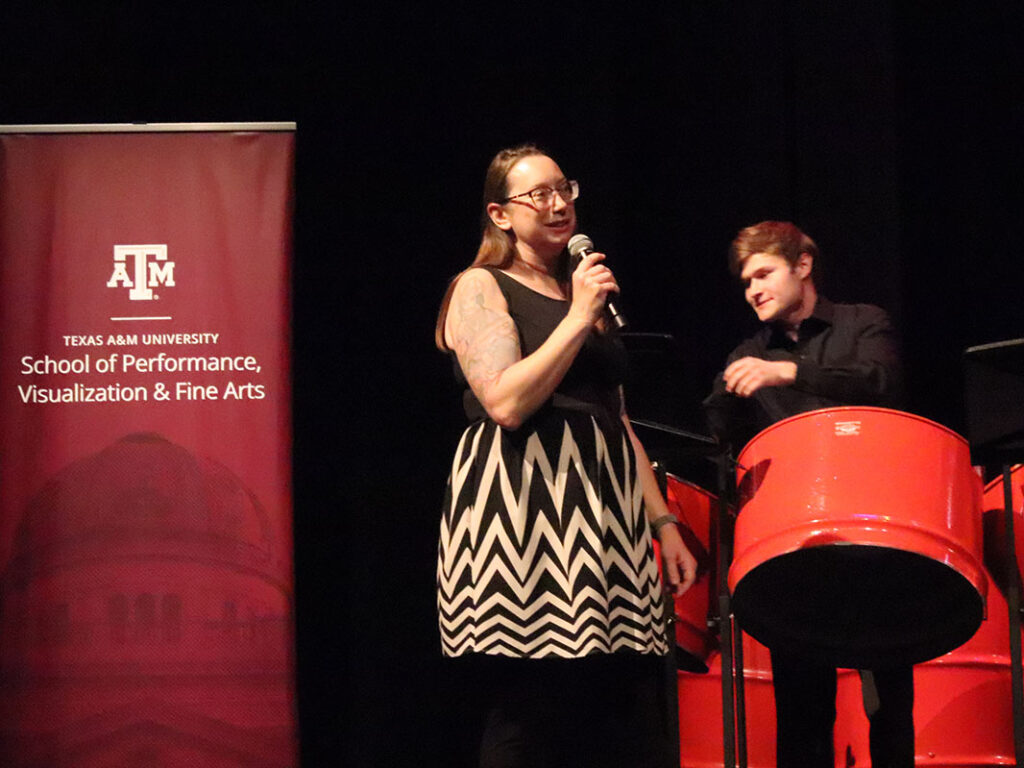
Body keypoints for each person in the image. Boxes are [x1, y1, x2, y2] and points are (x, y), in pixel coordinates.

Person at [435, 144, 697, 768]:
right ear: (500, 215)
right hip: (527, 505)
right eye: (538, 195)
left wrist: (664, 523)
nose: (558, 205)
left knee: (621, 703)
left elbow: (618, 418)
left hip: (604, 508)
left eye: (564, 189)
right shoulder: (480, 286)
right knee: (535, 707)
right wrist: (579, 313)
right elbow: (504, 401)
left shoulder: (582, 294)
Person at [704, 220, 912, 768]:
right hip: (793, 548)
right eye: (746, 281)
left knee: (890, 706)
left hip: (876, 533)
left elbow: (880, 382)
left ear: (803, 266)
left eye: (764, 273)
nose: (753, 290)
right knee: (801, 713)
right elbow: (710, 431)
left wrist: (790, 372)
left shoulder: (863, 322)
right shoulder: (746, 353)